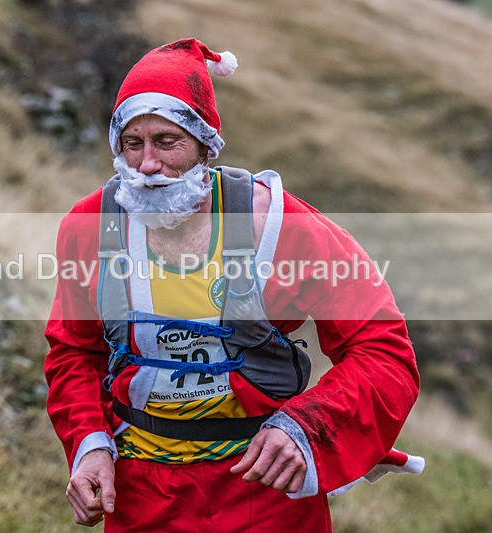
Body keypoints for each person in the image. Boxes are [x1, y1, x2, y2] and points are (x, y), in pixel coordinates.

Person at [44, 38, 422, 532]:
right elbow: (72, 350)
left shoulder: (281, 226)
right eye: (132, 145)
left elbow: (384, 351)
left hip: (265, 490)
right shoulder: (90, 227)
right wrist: (90, 445)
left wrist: (305, 427)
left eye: (167, 142)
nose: (148, 165)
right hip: (139, 495)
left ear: (206, 145)